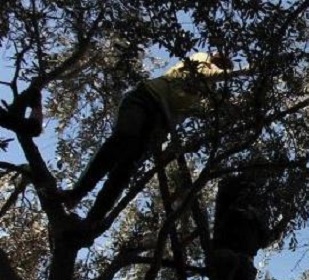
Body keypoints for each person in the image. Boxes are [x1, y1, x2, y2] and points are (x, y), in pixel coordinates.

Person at [62, 52, 235, 221]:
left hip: (159, 123)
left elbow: (191, 112)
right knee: (123, 138)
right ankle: (76, 193)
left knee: (125, 170)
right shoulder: (201, 58)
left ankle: (93, 220)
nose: (219, 69)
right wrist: (242, 71)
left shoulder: (205, 94)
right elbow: (204, 73)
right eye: (219, 65)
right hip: (146, 98)